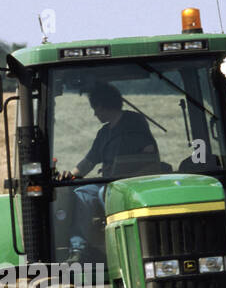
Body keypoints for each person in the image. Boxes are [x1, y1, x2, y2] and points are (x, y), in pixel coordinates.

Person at [62, 83, 159, 260]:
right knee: (82, 193)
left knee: (103, 194)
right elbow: (89, 161)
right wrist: (71, 175)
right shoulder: (104, 133)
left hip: (132, 183)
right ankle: (78, 249)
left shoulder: (134, 123)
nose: (95, 113)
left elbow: (149, 153)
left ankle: (119, 247)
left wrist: (125, 169)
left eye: (96, 108)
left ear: (105, 104)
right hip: (107, 183)